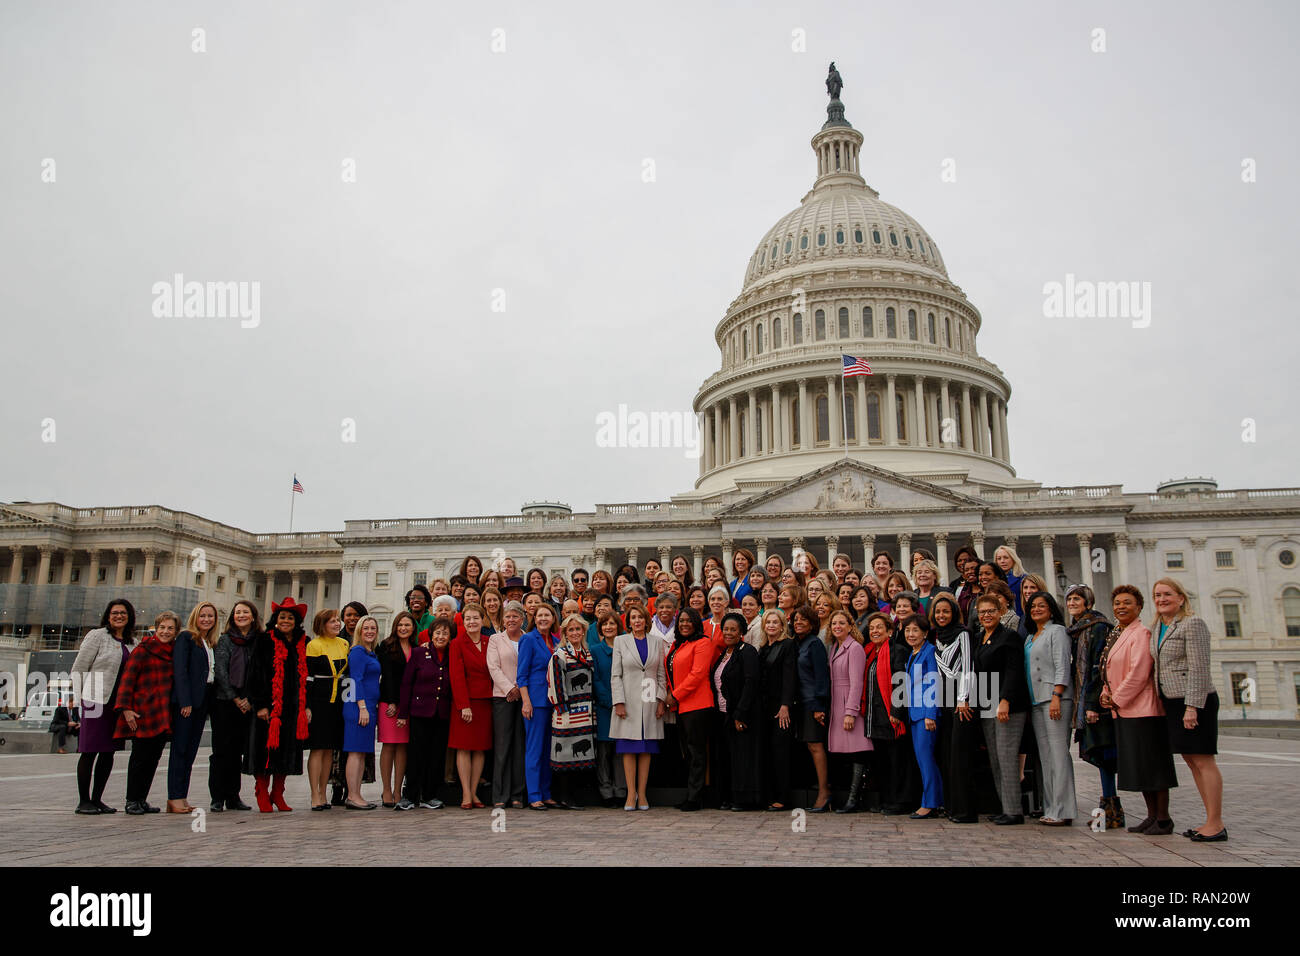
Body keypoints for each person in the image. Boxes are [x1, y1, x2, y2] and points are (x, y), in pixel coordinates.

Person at [1150, 578, 1226, 841]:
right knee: (1192, 761)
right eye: (1157, 595)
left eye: (1167, 594)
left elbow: (1200, 668)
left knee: (1204, 760)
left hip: (1194, 701)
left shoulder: (1192, 624)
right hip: (1172, 701)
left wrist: (1192, 706)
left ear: (1181, 598)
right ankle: (1210, 820)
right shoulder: (1158, 626)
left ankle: (1215, 823)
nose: (1161, 599)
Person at [1100, 585, 1177, 835]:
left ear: (1139, 607)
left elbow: (1139, 672)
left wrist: (1117, 698)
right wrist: (1105, 692)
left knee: (1153, 765)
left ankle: (1163, 817)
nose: (1121, 607)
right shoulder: (1121, 634)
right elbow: (1110, 669)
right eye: (1118, 603)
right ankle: (1151, 815)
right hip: (1126, 709)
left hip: (1144, 709)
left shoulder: (1142, 633)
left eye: (1127, 603)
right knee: (1141, 766)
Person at [245, 597, 311, 812]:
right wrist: (261, 704)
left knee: (286, 751)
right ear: (276, 618)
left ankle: (278, 793)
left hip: (293, 706)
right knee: (266, 750)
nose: (286, 621)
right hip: (270, 706)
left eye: (290, 617)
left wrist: (306, 705)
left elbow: (307, 677)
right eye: (282, 617)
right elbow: (255, 673)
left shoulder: (303, 642)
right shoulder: (264, 640)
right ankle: (262, 792)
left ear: (296, 621)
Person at [72, 598, 136, 814]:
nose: (119, 616)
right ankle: (83, 801)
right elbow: (79, 668)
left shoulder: (131, 642)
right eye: (115, 613)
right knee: (90, 750)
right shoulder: (97, 636)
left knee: (108, 752)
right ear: (108, 616)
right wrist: (78, 700)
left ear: (129, 617)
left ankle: (97, 799)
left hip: (117, 704)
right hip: (95, 700)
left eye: (123, 613)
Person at [1065, 584, 1122, 828]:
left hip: (1095, 703)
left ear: (1088, 602)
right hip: (1084, 699)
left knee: (1103, 755)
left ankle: (1111, 812)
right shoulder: (1076, 630)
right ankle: (1109, 811)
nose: (1072, 603)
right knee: (1098, 756)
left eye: (1077, 599)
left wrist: (1091, 704)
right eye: (1069, 600)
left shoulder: (1099, 627)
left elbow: (1100, 668)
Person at [114, 612, 179, 814]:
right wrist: (126, 709)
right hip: (142, 712)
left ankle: (142, 799)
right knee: (139, 759)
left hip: (162, 712)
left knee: (153, 759)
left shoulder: (173, 652)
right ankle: (131, 800)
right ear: (155, 628)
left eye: (170, 628)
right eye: (162, 628)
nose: (165, 632)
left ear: (176, 632)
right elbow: (127, 680)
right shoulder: (143, 650)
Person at [972, 594, 1029, 825]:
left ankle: (1015, 811)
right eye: (982, 612)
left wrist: (1005, 700)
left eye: (991, 611)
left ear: (1000, 612)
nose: (986, 615)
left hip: (1007, 705)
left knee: (1007, 757)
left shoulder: (1009, 637)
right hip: (987, 703)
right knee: (995, 758)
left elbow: (1014, 671)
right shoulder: (979, 638)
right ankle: (1004, 806)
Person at [1023, 591, 1077, 826]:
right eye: (1033, 606)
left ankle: (1063, 809)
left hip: (1055, 699)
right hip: (1036, 700)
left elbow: (1062, 665)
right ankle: (1051, 806)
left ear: (1051, 608)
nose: (1036, 609)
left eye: (1041, 605)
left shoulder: (1058, 632)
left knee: (1058, 755)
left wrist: (1058, 694)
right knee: (1046, 757)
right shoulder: (1030, 637)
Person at [929, 593, 977, 823]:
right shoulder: (936, 636)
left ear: (954, 612)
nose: (941, 615)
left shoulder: (963, 634)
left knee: (960, 756)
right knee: (946, 754)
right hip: (943, 701)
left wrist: (963, 698)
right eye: (938, 612)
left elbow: (967, 666)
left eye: (946, 611)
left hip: (960, 700)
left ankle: (965, 810)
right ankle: (950, 806)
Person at [165, 602, 217, 814]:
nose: (206, 619)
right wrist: (184, 701)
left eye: (210, 616)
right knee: (180, 751)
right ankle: (174, 797)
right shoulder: (186, 638)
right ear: (195, 617)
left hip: (202, 702)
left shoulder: (209, 642)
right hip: (187, 704)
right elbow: (180, 671)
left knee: (190, 752)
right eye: (202, 616)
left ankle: (181, 797)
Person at [395, 618, 451, 810]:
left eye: (445, 633)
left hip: (442, 712)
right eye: (437, 633)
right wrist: (403, 713)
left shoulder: (452, 654)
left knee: (436, 755)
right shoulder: (419, 653)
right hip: (420, 711)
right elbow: (406, 684)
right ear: (431, 634)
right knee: (416, 754)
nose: (441, 636)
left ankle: (430, 794)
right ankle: (410, 795)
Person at [211, 600, 259, 812]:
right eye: (238, 612)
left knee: (238, 751)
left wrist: (249, 698)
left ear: (253, 616)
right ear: (232, 616)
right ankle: (217, 796)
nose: (241, 615)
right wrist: (235, 698)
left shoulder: (257, 641)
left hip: (248, 703)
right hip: (225, 702)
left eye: (245, 612)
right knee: (221, 751)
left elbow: (260, 672)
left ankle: (233, 795)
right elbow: (220, 671)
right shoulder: (225, 640)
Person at [712, 612, 761, 811]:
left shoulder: (747, 651)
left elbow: (751, 683)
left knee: (743, 758)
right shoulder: (724, 653)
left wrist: (740, 713)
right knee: (729, 758)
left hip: (741, 715)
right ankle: (729, 797)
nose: (729, 633)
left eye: (733, 629)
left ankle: (744, 799)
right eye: (726, 629)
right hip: (724, 714)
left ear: (741, 631)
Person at [862, 612, 911, 813]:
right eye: (872, 628)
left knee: (896, 761)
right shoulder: (870, 653)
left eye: (879, 627)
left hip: (891, 716)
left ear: (889, 631)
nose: (874, 631)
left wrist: (896, 711)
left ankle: (899, 801)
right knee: (882, 762)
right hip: (874, 717)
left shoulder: (897, 651)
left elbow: (901, 681)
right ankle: (886, 799)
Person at [666, 607, 713, 811]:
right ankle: (691, 794)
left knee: (697, 753)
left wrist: (674, 695)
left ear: (696, 623)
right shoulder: (679, 645)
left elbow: (697, 675)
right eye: (681, 621)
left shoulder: (703, 643)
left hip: (698, 705)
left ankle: (695, 797)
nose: (684, 624)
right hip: (682, 706)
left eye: (688, 620)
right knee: (688, 753)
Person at [548, 614, 597, 809]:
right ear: (565, 633)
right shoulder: (559, 655)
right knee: (565, 754)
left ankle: (575, 796)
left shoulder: (587, 653)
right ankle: (565, 797)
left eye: (578, 629)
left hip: (586, 711)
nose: (575, 633)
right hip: (568, 712)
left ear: (583, 631)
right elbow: (555, 684)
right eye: (571, 630)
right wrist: (562, 709)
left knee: (580, 757)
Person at [449, 602, 494, 808]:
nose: (472, 622)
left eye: (475, 618)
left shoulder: (489, 641)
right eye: (468, 619)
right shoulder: (457, 643)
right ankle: (466, 793)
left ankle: (475, 791)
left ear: (482, 620)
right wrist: (463, 705)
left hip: (485, 700)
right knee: (464, 748)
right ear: (462, 621)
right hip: (465, 703)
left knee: (480, 749)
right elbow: (456, 676)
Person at [826, 609, 871, 813]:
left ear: (850, 625)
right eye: (834, 623)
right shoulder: (835, 646)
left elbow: (857, 682)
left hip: (848, 703)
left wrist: (850, 712)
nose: (837, 626)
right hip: (836, 702)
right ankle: (846, 798)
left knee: (857, 752)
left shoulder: (854, 648)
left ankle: (855, 798)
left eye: (841, 623)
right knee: (843, 752)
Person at [305, 608, 349, 811]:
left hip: (338, 701)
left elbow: (347, 676)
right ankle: (314, 793)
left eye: (337, 620)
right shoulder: (314, 645)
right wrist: (307, 705)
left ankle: (324, 790)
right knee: (318, 748)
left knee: (330, 749)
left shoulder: (344, 644)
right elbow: (309, 678)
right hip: (319, 700)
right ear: (322, 624)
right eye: (332, 621)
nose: (337, 624)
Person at [486, 600, 527, 809]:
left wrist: (520, 688)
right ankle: (500, 794)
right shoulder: (495, 639)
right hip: (503, 697)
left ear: (522, 619)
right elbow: (493, 667)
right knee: (503, 746)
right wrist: (509, 688)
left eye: (515, 616)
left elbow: (530, 665)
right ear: (503, 619)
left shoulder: (527, 639)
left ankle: (518, 793)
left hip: (524, 697)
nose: (511, 620)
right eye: (508, 616)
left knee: (520, 746)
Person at [900, 613, 942, 819]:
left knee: (926, 759)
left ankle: (930, 803)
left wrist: (930, 714)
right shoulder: (912, 653)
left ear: (925, 633)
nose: (911, 634)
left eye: (915, 630)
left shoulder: (929, 651)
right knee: (922, 759)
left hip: (926, 714)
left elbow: (933, 683)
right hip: (914, 714)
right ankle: (932, 799)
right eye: (907, 630)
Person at [518, 603, 559, 809]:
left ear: (553, 619)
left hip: (554, 702)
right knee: (534, 749)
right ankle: (534, 795)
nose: (543, 619)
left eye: (547, 615)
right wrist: (526, 700)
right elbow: (522, 674)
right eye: (540, 615)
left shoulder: (557, 641)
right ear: (534, 619)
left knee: (548, 750)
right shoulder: (527, 639)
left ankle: (546, 792)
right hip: (535, 701)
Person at [791, 604, 832, 812]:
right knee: (809, 747)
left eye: (803, 620)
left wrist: (819, 706)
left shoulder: (814, 644)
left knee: (816, 746)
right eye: (796, 619)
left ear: (812, 623)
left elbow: (821, 677)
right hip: (799, 703)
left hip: (812, 703)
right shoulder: (797, 644)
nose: (798, 622)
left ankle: (824, 792)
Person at [341, 615, 382, 809]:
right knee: (355, 752)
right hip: (358, 706)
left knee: (361, 752)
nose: (370, 631)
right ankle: (352, 795)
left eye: (373, 628)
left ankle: (356, 794)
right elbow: (355, 680)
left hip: (369, 706)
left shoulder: (370, 653)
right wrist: (362, 707)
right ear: (359, 631)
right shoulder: (357, 651)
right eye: (366, 628)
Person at [757, 609, 796, 811]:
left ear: (782, 625)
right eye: (768, 622)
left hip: (781, 707)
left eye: (775, 622)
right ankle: (769, 795)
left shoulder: (787, 645)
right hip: (764, 707)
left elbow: (789, 676)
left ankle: (784, 797)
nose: (771, 625)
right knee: (767, 752)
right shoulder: (763, 648)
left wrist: (785, 705)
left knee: (781, 752)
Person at [591, 608, 629, 807]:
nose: (608, 627)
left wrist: (623, 700)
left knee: (620, 750)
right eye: (605, 624)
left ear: (618, 626)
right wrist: (609, 700)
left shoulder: (626, 647)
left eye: (612, 623)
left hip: (625, 705)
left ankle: (621, 790)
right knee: (604, 751)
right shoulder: (596, 650)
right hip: (605, 706)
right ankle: (606, 792)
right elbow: (595, 678)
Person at [377, 612, 416, 806]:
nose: (403, 628)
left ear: (413, 628)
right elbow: (387, 675)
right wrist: (392, 701)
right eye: (400, 624)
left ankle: (398, 789)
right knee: (389, 745)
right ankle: (385, 790)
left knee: (403, 747)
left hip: (408, 704)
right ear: (395, 626)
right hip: (389, 702)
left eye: (407, 625)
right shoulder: (386, 646)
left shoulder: (416, 648)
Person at [993, 545, 1026, 616]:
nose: (1002, 561)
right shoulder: (994, 581)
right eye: (999, 558)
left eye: (1006, 558)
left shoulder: (1023, 578)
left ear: (1013, 559)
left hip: (1019, 617)